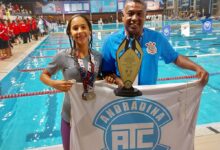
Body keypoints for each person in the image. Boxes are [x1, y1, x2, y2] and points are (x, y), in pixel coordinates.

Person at [101, 0, 209, 87]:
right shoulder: (110, 41)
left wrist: (197, 68)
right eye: (130, 13)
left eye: (139, 14)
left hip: (149, 98)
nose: (134, 18)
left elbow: (175, 57)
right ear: (122, 16)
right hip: (121, 97)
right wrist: (117, 80)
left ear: (145, 16)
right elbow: (106, 72)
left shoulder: (157, 38)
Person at [40, 14, 102, 150]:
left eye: (83, 27)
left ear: (90, 30)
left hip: (91, 115)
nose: (79, 31)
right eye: (75, 28)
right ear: (70, 33)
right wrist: (54, 84)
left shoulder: (97, 56)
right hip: (70, 116)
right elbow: (44, 75)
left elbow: (99, 78)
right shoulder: (63, 56)